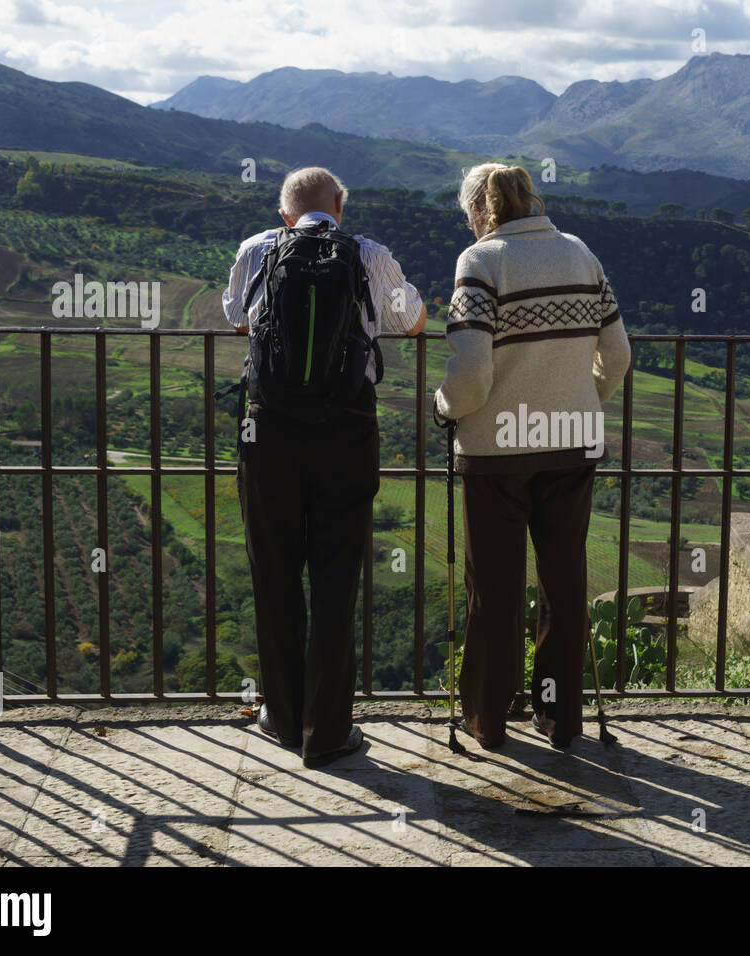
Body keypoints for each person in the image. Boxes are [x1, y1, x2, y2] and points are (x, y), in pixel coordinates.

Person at [223, 166, 425, 767]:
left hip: (269, 433)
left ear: (285, 214)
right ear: (341, 205)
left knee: (275, 572)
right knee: (337, 581)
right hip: (346, 431)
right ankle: (329, 732)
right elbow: (410, 320)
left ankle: (281, 717)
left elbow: (237, 315)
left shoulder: (259, 249)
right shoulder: (368, 255)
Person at [433, 163, 631, 750]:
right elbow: (617, 355)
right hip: (571, 445)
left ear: (479, 212)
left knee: (493, 591)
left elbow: (470, 373)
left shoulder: (481, 262)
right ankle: (560, 720)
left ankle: (489, 722)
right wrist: (575, 403)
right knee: (563, 585)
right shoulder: (580, 253)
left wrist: (444, 408)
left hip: (496, 455)